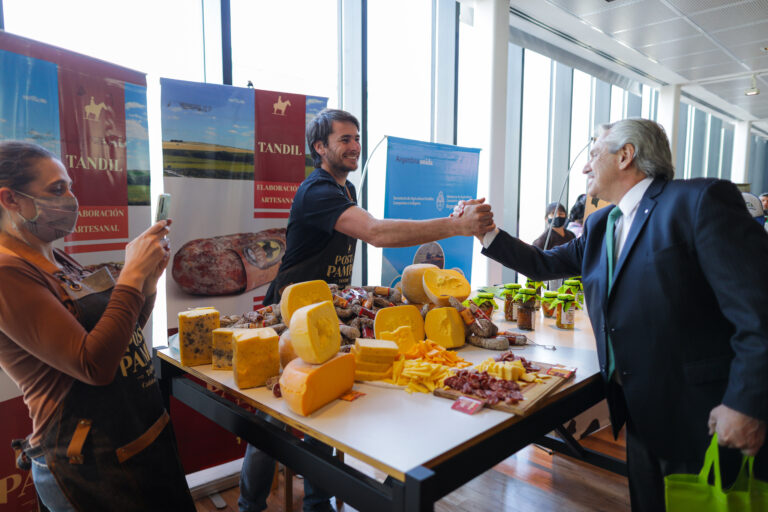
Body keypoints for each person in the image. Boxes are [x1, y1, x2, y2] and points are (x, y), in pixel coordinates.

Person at [458, 118, 768, 511]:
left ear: (626, 155)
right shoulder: (602, 224)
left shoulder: (698, 202)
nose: (586, 167)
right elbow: (541, 264)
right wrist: (486, 233)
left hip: (703, 413)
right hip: (639, 411)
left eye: (593, 154)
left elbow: (758, 312)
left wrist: (746, 404)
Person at [245, 109, 494, 512]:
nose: (355, 145)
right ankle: (249, 506)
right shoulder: (318, 190)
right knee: (274, 417)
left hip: (328, 311)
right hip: (290, 313)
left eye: (357, 137)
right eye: (344, 139)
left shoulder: (348, 191)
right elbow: (375, 233)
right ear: (319, 147)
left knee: (322, 401)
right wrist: (454, 226)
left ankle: (317, 504)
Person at [0, 141, 195, 511]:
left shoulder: (53, 255)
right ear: (11, 199)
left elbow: (121, 336)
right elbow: (94, 364)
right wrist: (130, 276)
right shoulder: (7, 272)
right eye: (57, 189)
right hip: (90, 464)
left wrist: (147, 283)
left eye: (70, 187)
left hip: (137, 440)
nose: (71, 198)